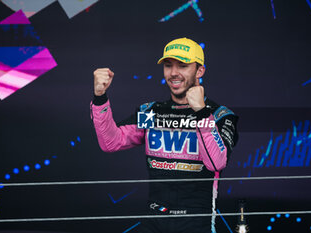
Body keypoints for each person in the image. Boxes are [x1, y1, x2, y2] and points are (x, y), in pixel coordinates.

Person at [91, 37, 239, 233]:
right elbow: (110, 142)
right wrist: (100, 98)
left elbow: (216, 163)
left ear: (200, 71)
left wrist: (201, 113)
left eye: (183, 65)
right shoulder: (152, 112)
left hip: (197, 223)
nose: (174, 73)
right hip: (154, 220)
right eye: (168, 66)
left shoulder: (221, 115)